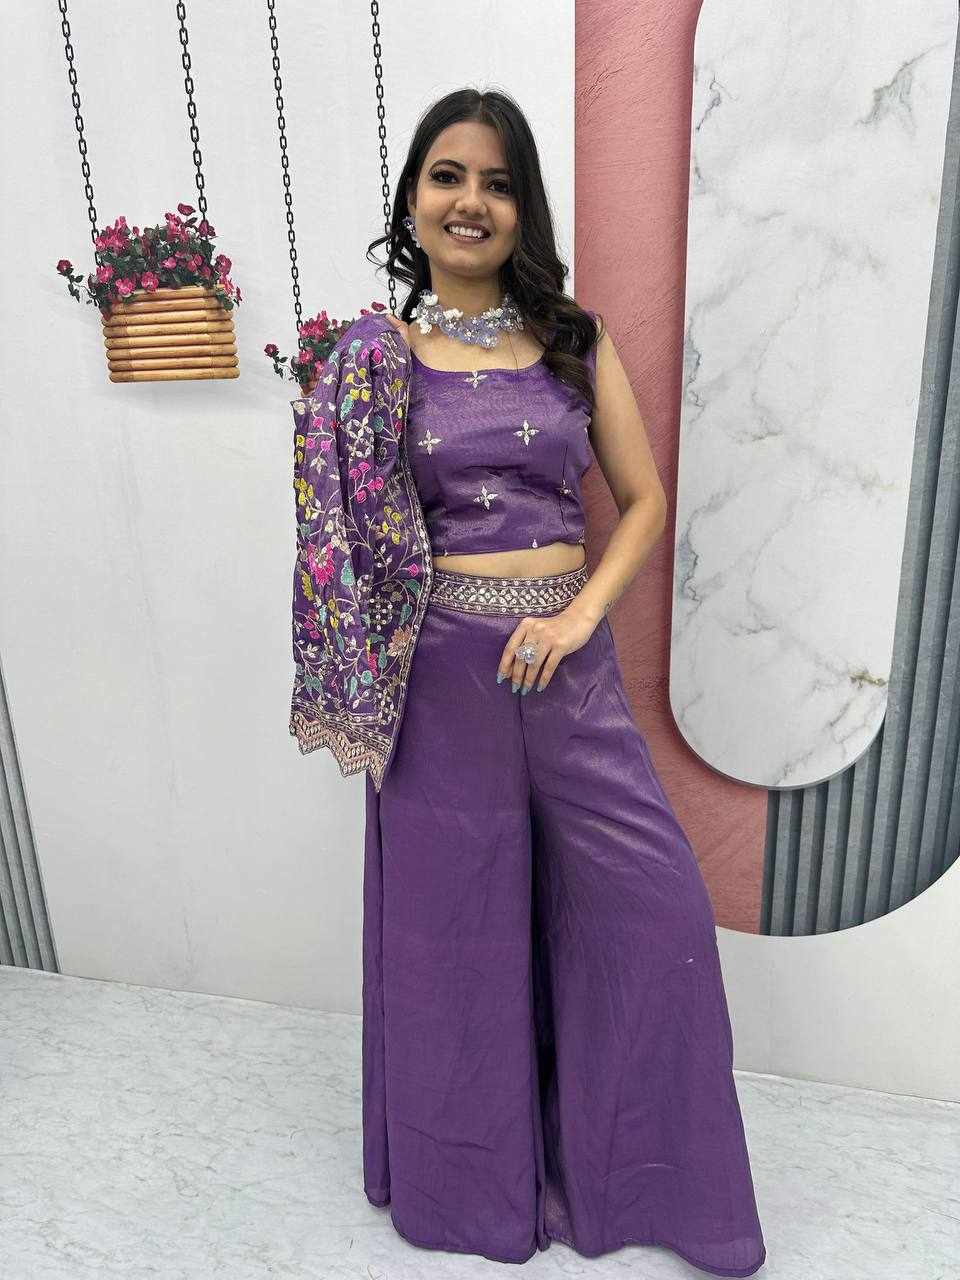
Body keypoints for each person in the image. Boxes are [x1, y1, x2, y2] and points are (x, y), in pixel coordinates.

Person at [295, 88, 767, 1276]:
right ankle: (468, 1195)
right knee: (455, 942)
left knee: (656, 910)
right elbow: (342, 536)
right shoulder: (374, 360)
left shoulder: (573, 342)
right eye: (449, 176)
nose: (472, 201)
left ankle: (648, 1184)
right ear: (414, 198)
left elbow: (643, 499)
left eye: (498, 183)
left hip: (569, 668)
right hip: (440, 684)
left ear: (524, 209)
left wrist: (578, 614)